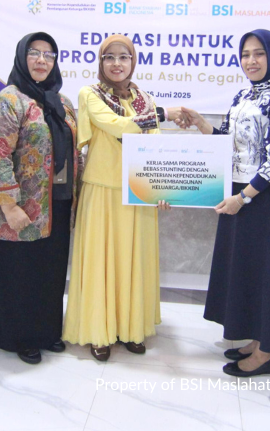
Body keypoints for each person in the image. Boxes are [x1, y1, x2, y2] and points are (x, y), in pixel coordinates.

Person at [178, 29, 270, 378]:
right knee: (248, 270)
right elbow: (230, 143)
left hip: (267, 200)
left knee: (265, 271)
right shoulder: (243, 95)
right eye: (246, 54)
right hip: (241, 194)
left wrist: (244, 197)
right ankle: (256, 338)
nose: (251, 61)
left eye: (259, 53)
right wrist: (201, 123)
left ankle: (266, 353)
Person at [62, 34, 182, 361]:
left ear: (133, 61)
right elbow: (115, 125)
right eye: (109, 57)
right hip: (102, 190)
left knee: (134, 261)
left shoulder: (145, 99)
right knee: (101, 261)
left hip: (138, 192)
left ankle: (131, 328)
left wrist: (161, 188)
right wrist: (163, 113)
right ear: (101, 62)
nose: (117, 63)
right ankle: (98, 331)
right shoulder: (90, 93)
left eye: (124, 57)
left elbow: (154, 145)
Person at [0, 32, 78, 364]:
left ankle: (46, 331)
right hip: (20, 206)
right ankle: (20, 336)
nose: (42, 60)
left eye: (49, 54)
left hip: (57, 203)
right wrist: (9, 206)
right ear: (21, 57)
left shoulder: (62, 103)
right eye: (34, 52)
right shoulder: (9, 100)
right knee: (20, 272)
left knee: (49, 270)